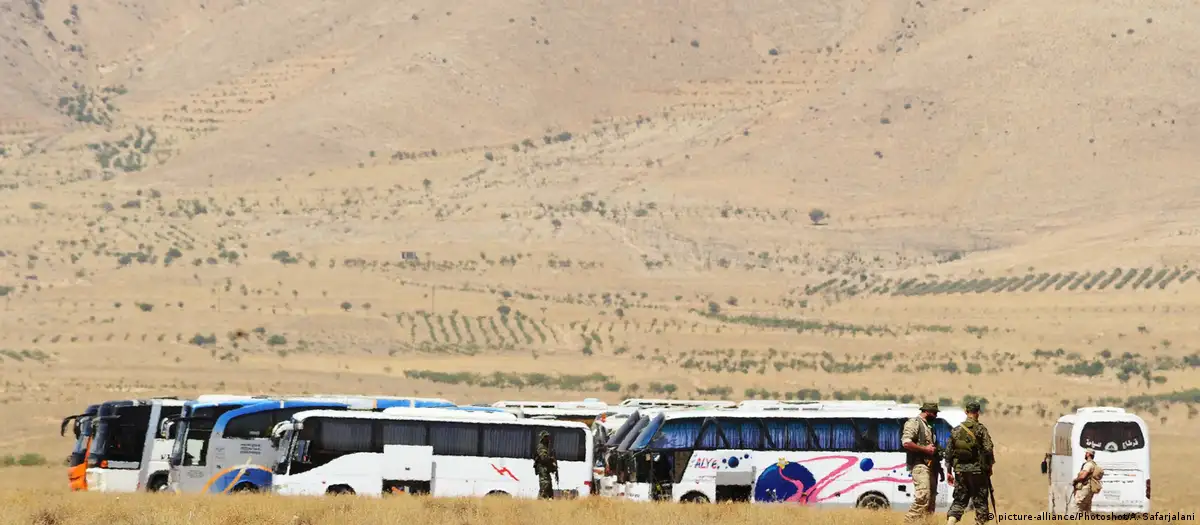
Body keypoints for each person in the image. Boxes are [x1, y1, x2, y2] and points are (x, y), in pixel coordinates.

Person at [947, 402, 996, 525]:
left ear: (966, 411)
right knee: (980, 502)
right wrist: (989, 466)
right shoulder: (980, 429)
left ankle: (950, 523)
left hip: (960, 471)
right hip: (977, 471)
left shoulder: (956, 430)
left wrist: (949, 471)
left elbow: (948, 453)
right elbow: (988, 449)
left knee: (959, 501)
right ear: (978, 413)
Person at [902, 402, 943, 524]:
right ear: (927, 411)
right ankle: (908, 522)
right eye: (934, 413)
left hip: (931, 466)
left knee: (930, 502)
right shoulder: (914, 423)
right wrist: (925, 449)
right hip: (919, 464)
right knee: (923, 497)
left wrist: (940, 469)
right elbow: (906, 443)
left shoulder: (929, 427)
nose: (936, 415)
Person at [1070, 449, 1103, 515]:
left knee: (1076, 506)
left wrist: (1075, 480)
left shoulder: (1088, 464)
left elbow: (1083, 476)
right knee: (1087, 509)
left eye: (1086, 453)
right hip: (1089, 488)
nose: (1085, 455)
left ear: (1088, 454)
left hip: (1085, 487)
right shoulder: (1094, 464)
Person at [534, 430, 558, 499]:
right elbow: (543, 458)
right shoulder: (541, 447)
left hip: (546, 470)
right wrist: (551, 459)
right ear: (543, 438)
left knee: (549, 487)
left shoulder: (546, 447)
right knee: (545, 486)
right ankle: (541, 501)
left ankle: (548, 500)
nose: (548, 439)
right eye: (546, 437)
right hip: (542, 470)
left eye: (548, 437)